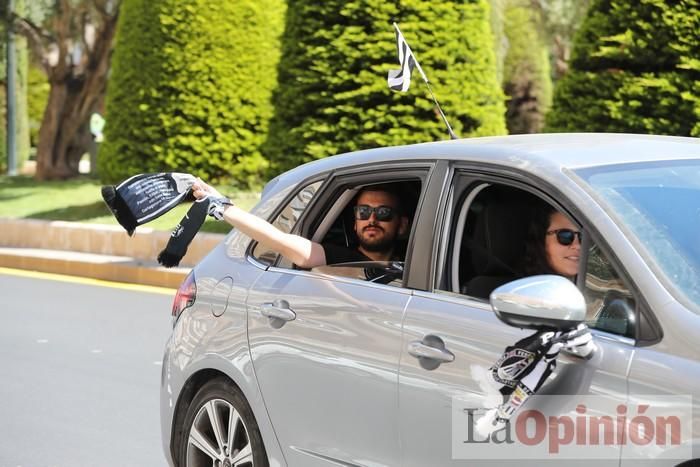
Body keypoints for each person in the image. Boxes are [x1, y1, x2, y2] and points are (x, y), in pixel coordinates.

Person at [192, 180, 409, 269]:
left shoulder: (416, 265)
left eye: (384, 212)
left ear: (402, 225)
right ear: (355, 223)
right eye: (363, 212)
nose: (372, 219)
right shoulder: (340, 261)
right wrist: (223, 207)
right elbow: (281, 241)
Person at [521, 202, 581, 280]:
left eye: (581, 237)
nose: (578, 246)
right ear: (541, 241)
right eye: (565, 235)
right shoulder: (527, 289)